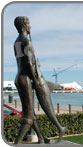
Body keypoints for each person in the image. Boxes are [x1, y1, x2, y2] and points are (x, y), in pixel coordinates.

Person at [13, 16, 49, 144]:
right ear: (23, 26)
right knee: (28, 115)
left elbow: (21, 62)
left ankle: (41, 137)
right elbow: (28, 64)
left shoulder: (17, 42)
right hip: (26, 78)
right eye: (29, 24)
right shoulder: (26, 42)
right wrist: (35, 80)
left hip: (18, 77)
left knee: (29, 110)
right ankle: (16, 143)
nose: (30, 27)